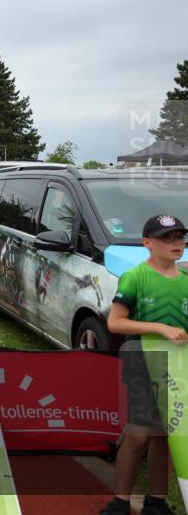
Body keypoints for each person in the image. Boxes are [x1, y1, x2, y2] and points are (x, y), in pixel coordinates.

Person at [102, 214, 188, 515]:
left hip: (178, 365)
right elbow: (115, 323)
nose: (176, 243)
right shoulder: (135, 276)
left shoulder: (186, 280)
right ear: (147, 243)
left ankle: (156, 500)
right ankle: (120, 501)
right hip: (142, 358)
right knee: (140, 433)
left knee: (165, 435)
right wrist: (161, 329)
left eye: (179, 237)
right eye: (167, 238)